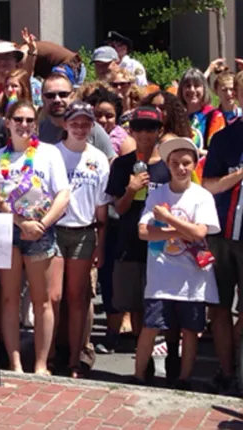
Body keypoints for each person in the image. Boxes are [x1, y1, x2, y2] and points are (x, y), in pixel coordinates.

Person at [134, 137, 220, 389]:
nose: (180, 168)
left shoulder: (202, 196)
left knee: (190, 330)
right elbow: (144, 231)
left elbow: (200, 232)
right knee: (151, 326)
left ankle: (184, 378)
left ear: (194, 165)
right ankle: (139, 375)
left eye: (185, 163)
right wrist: (180, 231)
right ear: (168, 164)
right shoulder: (158, 194)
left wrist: (168, 219)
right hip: (161, 275)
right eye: (174, 163)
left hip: (192, 278)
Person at [0, 99, 71, 374]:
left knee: (43, 300)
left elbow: (63, 194)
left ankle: (40, 364)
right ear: (8, 123)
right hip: (7, 230)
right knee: (9, 299)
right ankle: (14, 363)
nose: (23, 125)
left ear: (36, 125)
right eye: (18, 119)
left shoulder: (49, 153)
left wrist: (42, 224)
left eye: (29, 120)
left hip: (41, 230)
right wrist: (20, 222)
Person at [50, 101, 110, 377]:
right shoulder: (52, 154)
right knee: (53, 297)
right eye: (74, 122)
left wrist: (101, 243)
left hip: (84, 232)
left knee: (77, 298)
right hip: (54, 229)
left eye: (86, 123)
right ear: (65, 124)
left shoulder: (99, 158)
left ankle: (75, 360)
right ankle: (48, 355)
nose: (80, 128)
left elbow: (101, 208)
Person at [105, 106, 170, 354]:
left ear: (160, 131)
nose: (145, 134)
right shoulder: (122, 165)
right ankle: (142, 353)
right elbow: (119, 209)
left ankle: (163, 349)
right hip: (130, 241)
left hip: (163, 245)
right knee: (134, 303)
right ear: (131, 131)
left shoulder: (168, 165)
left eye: (151, 128)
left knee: (160, 301)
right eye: (139, 128)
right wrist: (131, 190)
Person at [201, 89, 243, 394]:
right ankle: (227, 372)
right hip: (223, 236)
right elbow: (208, 185)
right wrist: (239, 175)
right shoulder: (225, 138)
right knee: (219, 308)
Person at [38, 73, 116, 160]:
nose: (57, 99)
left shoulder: (92, 129)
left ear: (73, 96)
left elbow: (111, 161)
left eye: (63, 94)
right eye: (50, 95)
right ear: (42, 98)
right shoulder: (38, 131)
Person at [178, 68, 225, 156]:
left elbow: (219, 152)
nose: (192, 90)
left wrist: (196, 152)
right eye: (188, 86)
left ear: (204, 89)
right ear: (181, 90)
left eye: (196, 86)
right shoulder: (177, 117)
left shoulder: (215, 116)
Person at [85, 87, 136, 156]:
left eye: (109, 116)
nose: (102, 120)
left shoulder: (125, 142)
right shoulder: (80, 133)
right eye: (97, 115)